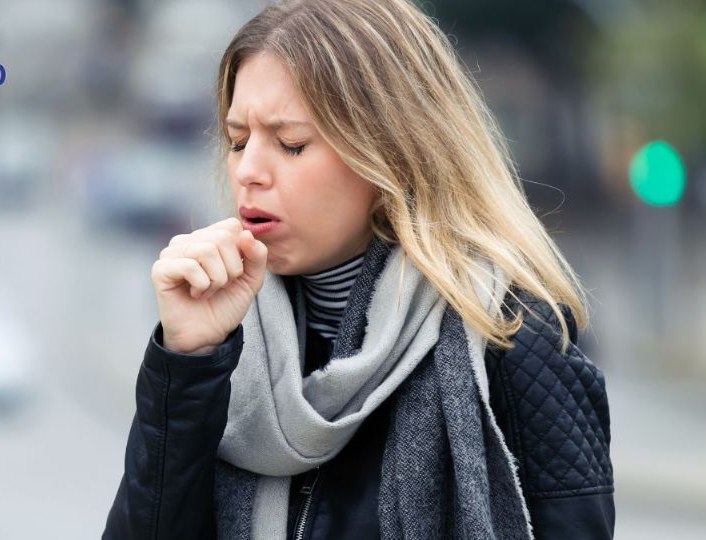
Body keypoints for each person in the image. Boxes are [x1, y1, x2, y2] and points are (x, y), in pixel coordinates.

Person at [101, 0, 615, 538]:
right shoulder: (222, 339)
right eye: (238, 141)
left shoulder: (513, 339)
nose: (248, 170)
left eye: (291, 144)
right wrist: (187, 361)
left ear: (390, 151)